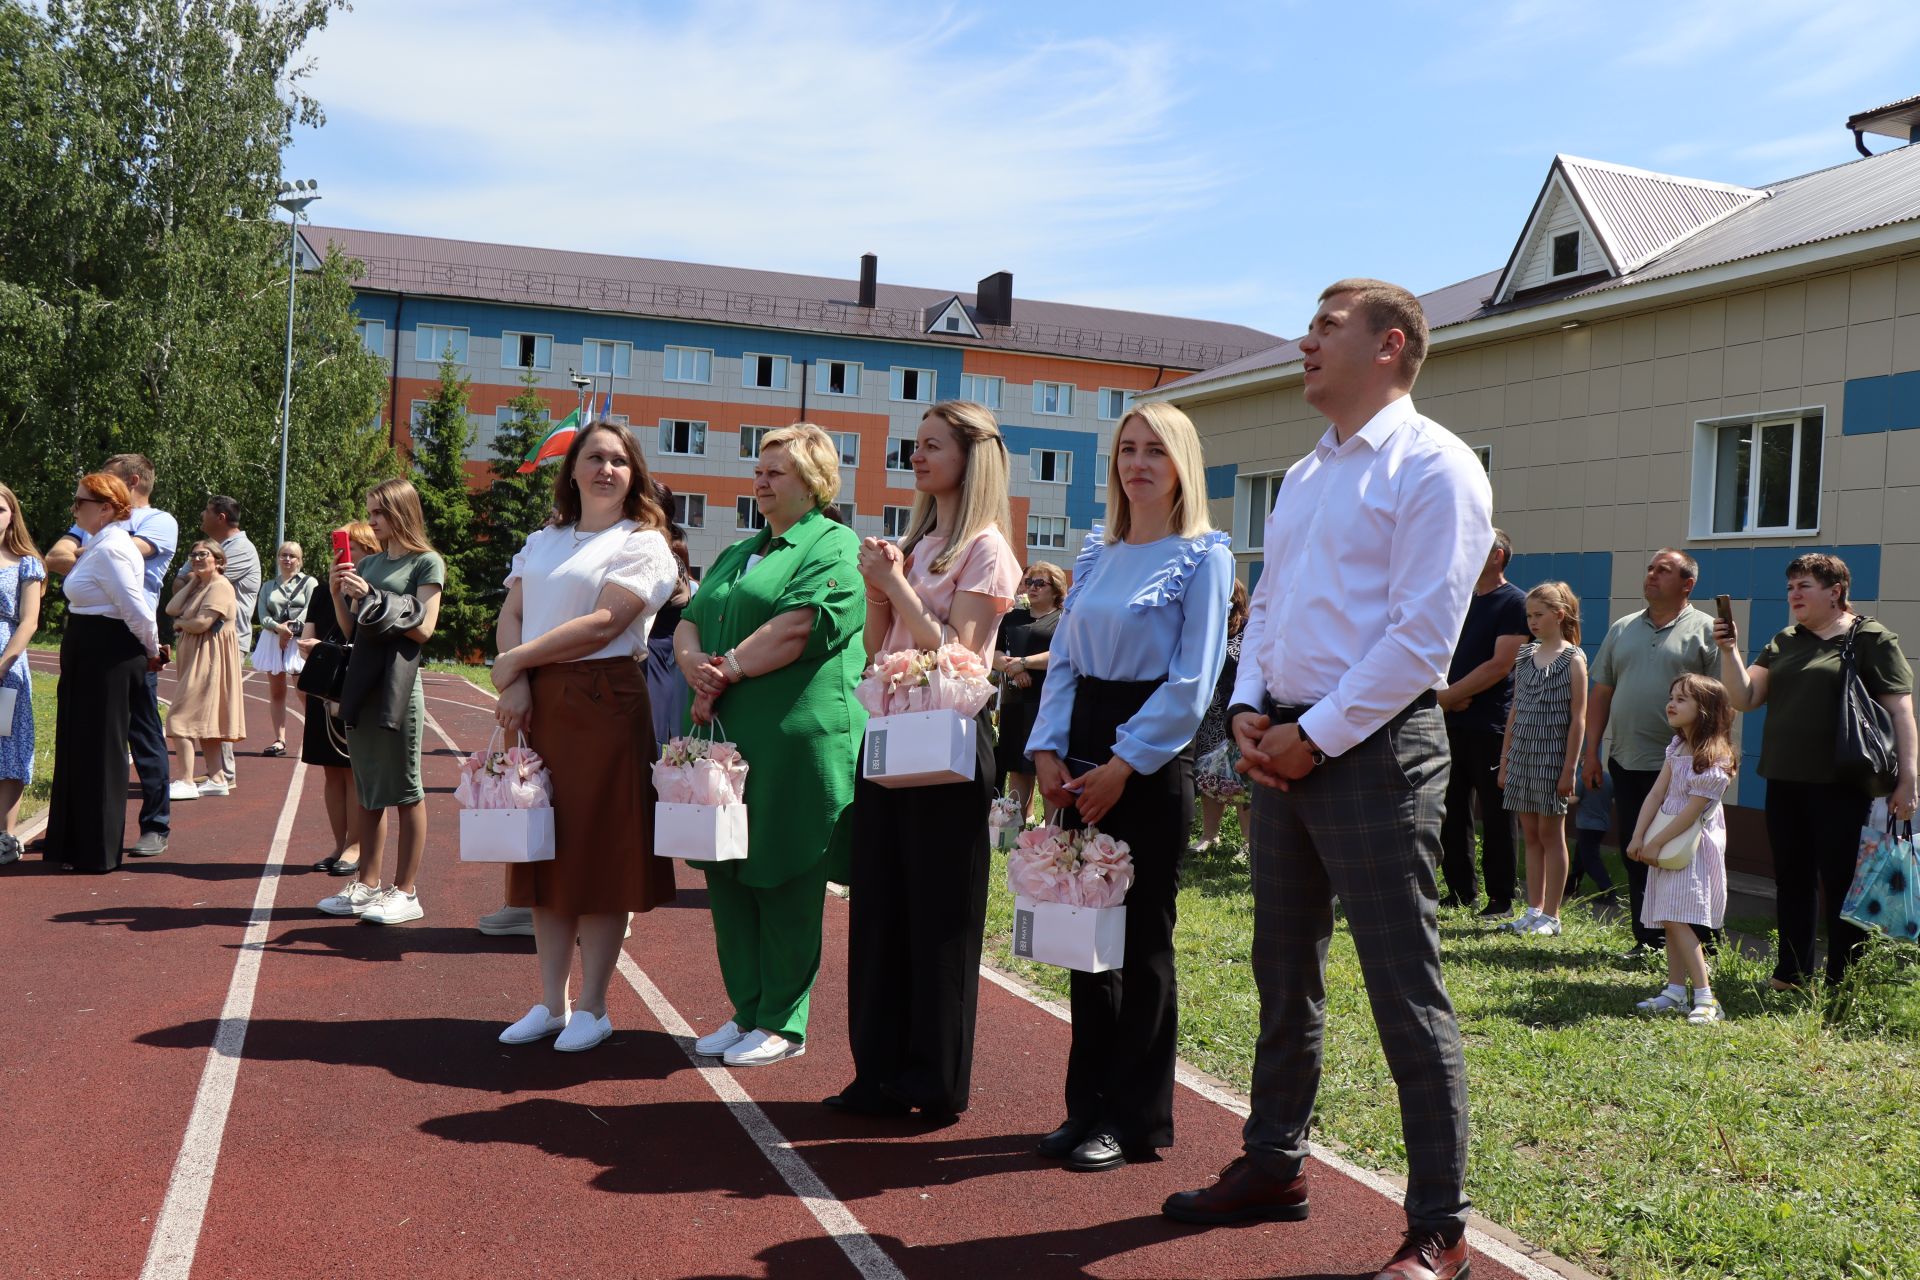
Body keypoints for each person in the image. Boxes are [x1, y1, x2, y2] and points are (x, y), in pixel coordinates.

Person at [1163, 279, 1488, 1280]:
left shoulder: (1437, 468)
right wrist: (1251, 706)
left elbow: (1422, 636)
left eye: (1324, 329)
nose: (1304, 343)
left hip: (1376, 752)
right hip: (1285, 745)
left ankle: (1441, 1227)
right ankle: (1273, 1162)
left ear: (1391, 346)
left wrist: (1320, 734)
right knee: (1281, 970)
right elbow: (1270, 611)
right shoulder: (1307, 474)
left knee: (1404, 987)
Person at [1027, 403, 1233, 1172]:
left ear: (1182, 464)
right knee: (1085, 938)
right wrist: (1049, 748)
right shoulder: (1095, 555)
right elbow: (1069, 662)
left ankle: (1134, 1118)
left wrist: (1124, 763)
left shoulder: (1204, 555)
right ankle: (1085, 1109)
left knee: (1141, 944)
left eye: (1155, 450)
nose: (1138, 463)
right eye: (1127, 450)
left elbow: (1193, 679)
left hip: (1146, 758)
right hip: (1082, 746)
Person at [829, 399, 1019, 1121]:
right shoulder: (915, 536)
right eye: (916, 445)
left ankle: (933, 1081)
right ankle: (874, 1071)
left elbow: (961, 656)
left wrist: (899, 584)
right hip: (890, 731)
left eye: (933, 444)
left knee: (939, 913)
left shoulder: (987, 549)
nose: (917, 456)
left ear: (973, 457)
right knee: (879, 904)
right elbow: (879, 643)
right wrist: (877, 585)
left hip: (949, 735)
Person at [674, 424, 866, 1068]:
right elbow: (690, 618)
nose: (761, 480)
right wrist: (696, 663)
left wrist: (723, 670)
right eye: (759, 469)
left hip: (792, 747)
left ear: (813, 483)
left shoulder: (833, 545)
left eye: (776, 471)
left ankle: (783, 1021)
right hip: (726, 740)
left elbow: (801, 625)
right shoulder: (741, 550)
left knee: (783, 872)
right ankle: (747, 1009)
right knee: (727, 872)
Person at [491, 422, 680, 1053]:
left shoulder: (643, 543)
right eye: (594, 458)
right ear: (571, 470)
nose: (606, 469)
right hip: (542, 700)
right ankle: (551, 1002)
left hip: (604, 703)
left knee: (599, 854)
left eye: (619, 461)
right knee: (546, 849)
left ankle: (594, 1008)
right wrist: (516, 677)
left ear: (635, 475)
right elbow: (510, 614)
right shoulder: (543, 540)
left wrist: (519, 662)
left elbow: (604, 624)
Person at [1715, 553, 1918, 990]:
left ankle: (1843, 979)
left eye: (1803, 586)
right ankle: (1792, 972)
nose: (1794, 595)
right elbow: (1745, 697)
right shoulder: (1786, 639)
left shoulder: (1871, 638)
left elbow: (1901, 712)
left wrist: (1908, 781)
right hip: (1784, 779)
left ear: (1835, 591)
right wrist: (1729, 651)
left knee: (1842, 881)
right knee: (1792, 877)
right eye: (1790, 587)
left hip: (1842, 784)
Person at [315, 478, 444, 926]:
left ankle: (406, 890)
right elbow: (353, 634)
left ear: (400, 512)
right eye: (370, 512)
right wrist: (337, 593)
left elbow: (423, 628)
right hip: (365, 680)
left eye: (378, 513)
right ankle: (366, 885)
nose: (371, 521)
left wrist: (371, 596)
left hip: (399, 687)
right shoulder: (368, 566)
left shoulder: (427, 562)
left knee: (406, 788)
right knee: (369, 787)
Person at [1583, 549, 1719, 959]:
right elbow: (1601, 693)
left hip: (1684, 766)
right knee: (1638, 850)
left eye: (1664, 570)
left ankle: (1702, 944)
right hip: (1626, 760)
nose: (1652, 575)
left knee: (1686, 854)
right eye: (1650, 568)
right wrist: (1592, 752)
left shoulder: (1707, 630)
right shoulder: (1623, 627)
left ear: (1687, 584)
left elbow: (1719, 702)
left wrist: (1710, 754)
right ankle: (1648, 939)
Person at [43, 453, 175, 857]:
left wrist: (152, 649)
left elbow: (134, 603)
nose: (73, 509)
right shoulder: (100, 537)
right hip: (93, 645)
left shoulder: (147, 527)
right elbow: (54, 557)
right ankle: (77, 834)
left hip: (120, 645)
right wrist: (88, 550)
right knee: (84, 741)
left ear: (117, 494)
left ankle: (151, 825)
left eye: (80, 502)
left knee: (137, 737)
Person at [1625, 674, 1737, 1025]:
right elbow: (1657, 794)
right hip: (1666, 839)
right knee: (1669, 916)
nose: (1671, 704)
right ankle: (1675, 991)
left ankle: (1706, 997)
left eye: (1682, 699)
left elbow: (1693, 812)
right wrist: (1638, 834)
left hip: (1689, 846)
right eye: (1672, 696)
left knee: (1677, 917)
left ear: (1705, 711)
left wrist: (1655, 842)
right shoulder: (1675, 749)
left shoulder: (1714, 760)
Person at [1436, 529, 1528, 914]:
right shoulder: (1459, 600)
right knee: (1452, 809)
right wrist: (1446, 698)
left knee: (1496, 812)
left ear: (1497, 556)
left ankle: (1501, 897)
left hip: (1491, 725)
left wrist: (1446, 697)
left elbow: (1500, 665)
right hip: (1453, 722)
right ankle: (1459, 891)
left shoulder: (1514, 602)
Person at [1495, 582, 1586, 937]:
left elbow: (1578, 717)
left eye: (1539, 614)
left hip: (1552, 756)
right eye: (1529, 615)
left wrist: (1569, 768)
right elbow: (1515, 708)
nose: (1532, 621)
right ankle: (1533, 909)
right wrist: (1505, 759)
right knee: (1529, 833)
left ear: (1559, 615)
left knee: (1551, 834)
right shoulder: (1524, 654)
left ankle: (1552, 914)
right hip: (1522, 754)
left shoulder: (1573, 658)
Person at [300, 521, 380, 875]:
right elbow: (309, 634)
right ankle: (339, 843)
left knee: (352, 772)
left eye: (351, 549)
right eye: (339, 551)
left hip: (355, 687)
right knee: (331, 773)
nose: (342, 558)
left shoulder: (373, 590)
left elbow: (369, 639)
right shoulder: (322, 591)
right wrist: (310, 647)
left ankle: (356, 845)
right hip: (325, 687)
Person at [176, 495, 259, 790]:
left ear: (221, 517)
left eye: (206, 510)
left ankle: (222, 774)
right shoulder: (213, 549)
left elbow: (200, 580)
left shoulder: (242, 550)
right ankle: (219, 774)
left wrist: (191, 579)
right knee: (207, 704)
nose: (201, 514)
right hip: (200, 639)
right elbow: (181, 583)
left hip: (224, 640)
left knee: (216, 704)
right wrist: (190, 579)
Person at [163, 541, 246, 798]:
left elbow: (201, 623)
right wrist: (191, 582)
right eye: (194, 554)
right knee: (206, 724)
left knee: (179, 718)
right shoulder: (201, 585)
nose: (197, 558)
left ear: (218, 560)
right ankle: (217, 778)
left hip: (209, 658)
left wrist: (180, 624)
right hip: (197, 656)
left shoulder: (220, 586)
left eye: (203, 554)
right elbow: (171, 608)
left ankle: (186, 781)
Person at [993, 559, 1067, 822]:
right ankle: (1011, 829)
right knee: (1017, 765)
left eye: (1039, 583)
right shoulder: (1013, 617)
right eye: (1028, 582)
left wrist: (1024, 663)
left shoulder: (1063, 619)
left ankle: (1052, 832)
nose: (1032, 587)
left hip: (1047, 702)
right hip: (1015, 700)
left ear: (1055, 589)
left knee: (1047, 766)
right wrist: (1015, 669)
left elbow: (1062, 654)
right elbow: (995, 652)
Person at [0, 482, 46, 866]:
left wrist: (2, 665)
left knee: (7, 747)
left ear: (12, 514)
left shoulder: (26, 562)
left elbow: (29, 622)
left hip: (6, 663)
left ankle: (5, 835)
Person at [1192, 578, 1251, 853]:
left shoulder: (1249, 629)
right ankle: (1209, 836)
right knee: (1208, 775)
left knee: (1242, 778)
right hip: (1207, 716)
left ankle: (1249, 842)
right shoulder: (1208, 627)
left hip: (1236, 713)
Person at [252, 542, 316, 757]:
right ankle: (279, 739)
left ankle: (315, 736)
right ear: (278, 558)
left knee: (304, 690)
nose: (287, 559)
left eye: (292, 556)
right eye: (283, 555)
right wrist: (278, 628)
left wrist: (290, 629)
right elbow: (263, 615)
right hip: (273, 638)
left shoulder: (309, 582)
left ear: (299, 560)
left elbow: (310, 608)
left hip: (298, 639)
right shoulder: (268, 585)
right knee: (277, 692)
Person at [1564, 768, 1615, 902]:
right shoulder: (1608, 778)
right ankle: (1570, 887)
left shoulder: (1583, 778)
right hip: (1602, 825)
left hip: (1586, 824)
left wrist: (1560, 795)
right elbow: (1613, 799)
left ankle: (1608, 892)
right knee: (1580, 857)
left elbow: (1574, 799)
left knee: (1590, 860)